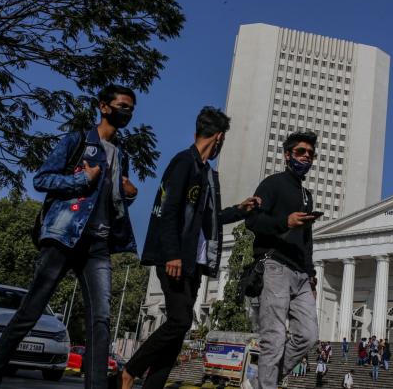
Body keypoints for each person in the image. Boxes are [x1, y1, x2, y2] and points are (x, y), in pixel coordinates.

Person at [0, 85, 140, 389]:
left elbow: (111, 199)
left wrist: (128, 194)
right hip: (64, 237)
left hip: (98, 244)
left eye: (131, 108)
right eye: (122, 106)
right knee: (31, 310)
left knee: (101, 320)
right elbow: (42, 178)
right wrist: (83, 178)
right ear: (104, 107)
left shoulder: (122, 154)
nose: (127, 113)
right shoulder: (77, 141)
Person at [120, 107, 259, 389]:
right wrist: (172, 253)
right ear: (219, 137)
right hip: (174, 258)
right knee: (180, 321)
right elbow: (168, 209)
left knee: (179, 328)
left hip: (193, 262)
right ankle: (129, 370)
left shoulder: (207, 172)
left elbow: (210, 219)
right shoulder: (184, 162)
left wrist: (240, 210)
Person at [245, 131, 320, 389]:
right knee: (274, 338)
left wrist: (311, 276)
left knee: (308, 336)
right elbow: (252, 221)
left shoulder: (307, 195)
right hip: (275, 266)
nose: (306, 158)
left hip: (301, 275)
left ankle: (262, 383)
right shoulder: (272, 184)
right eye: (301, 152)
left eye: (310, 154)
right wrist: (283, 222)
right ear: (288, 155)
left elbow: (307, 240)